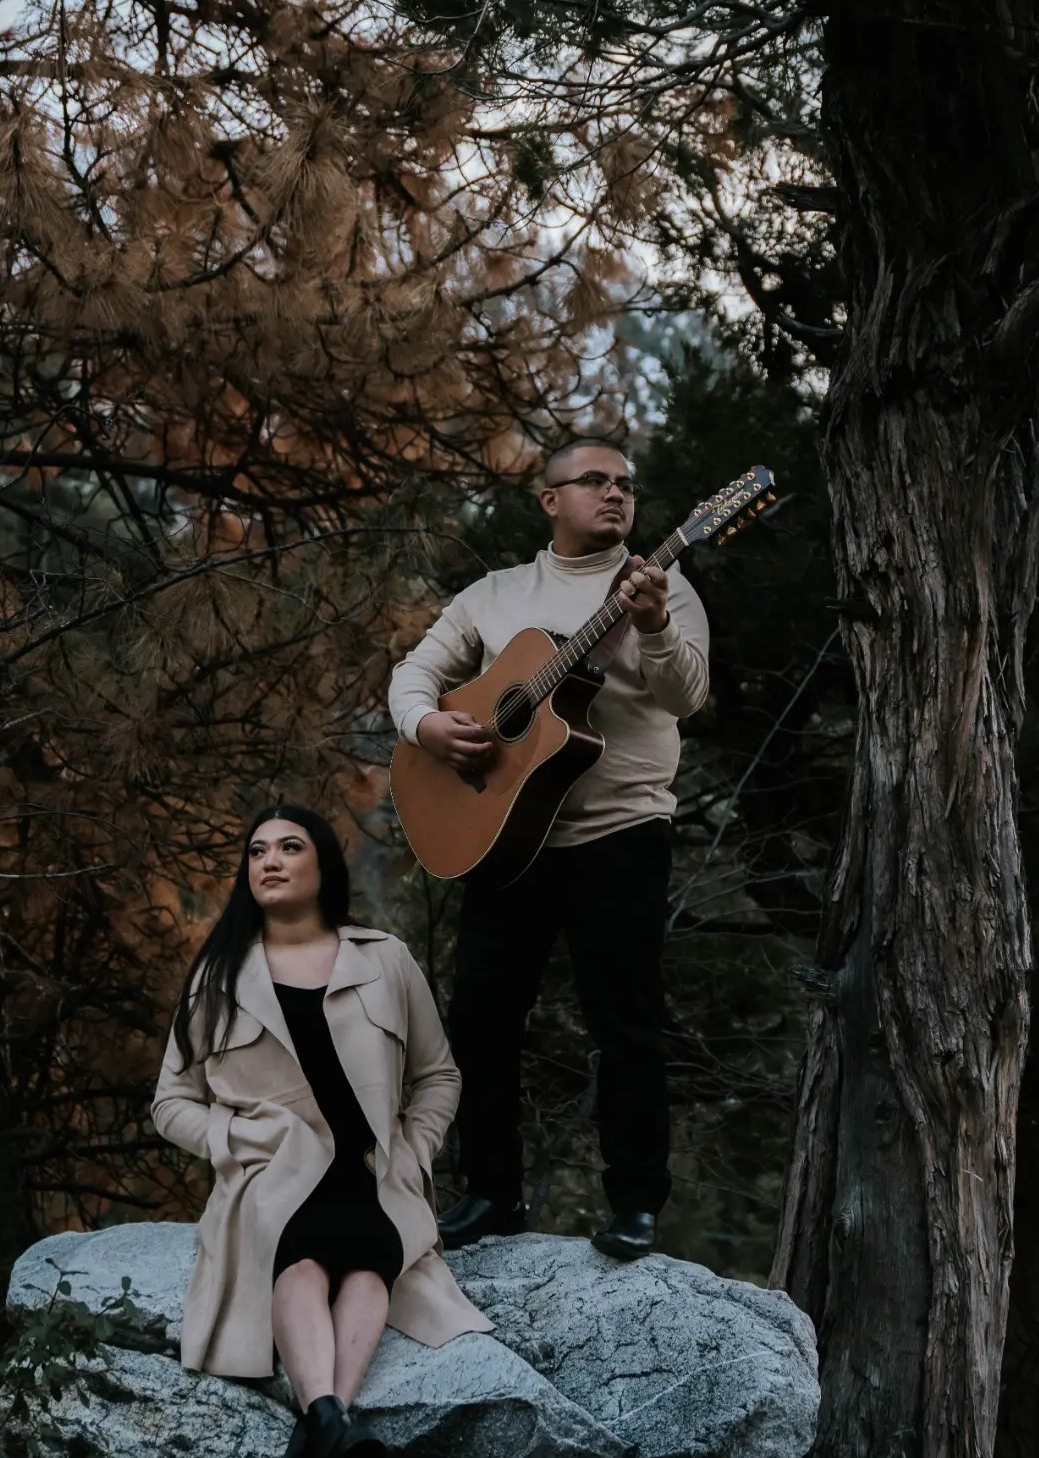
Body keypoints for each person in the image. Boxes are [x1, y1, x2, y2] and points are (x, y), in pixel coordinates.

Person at [387, 438, 710, 1260]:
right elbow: (413, 674)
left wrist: (655, 626)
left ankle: (635, 1205)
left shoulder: (662, 587)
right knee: (480, 1021)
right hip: (506, 840)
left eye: (627, 485)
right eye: (595, 481)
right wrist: (426, 725)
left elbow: (688, 695)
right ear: (549, 499)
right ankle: (492, 1195)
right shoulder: (494, 596)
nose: (615, 494)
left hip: (623, 833)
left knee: (627, 1024)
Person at [151, 803, 492, 1458]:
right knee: (302, 1258)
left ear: (323, 865)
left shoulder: (385, 959)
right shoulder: (217, 979)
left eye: (288, 847)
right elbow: (170, 1102)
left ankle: (323, 1426)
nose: (270, 861)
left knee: (369, 1263)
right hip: (272, 1178)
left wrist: (412, 1153)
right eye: (256, 852)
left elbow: (440, 1075)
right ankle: (334, 1422)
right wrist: (238, 1145)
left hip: (371, 1176)